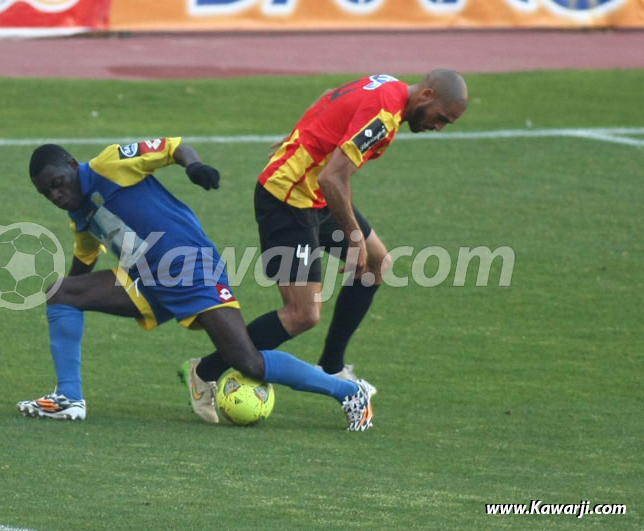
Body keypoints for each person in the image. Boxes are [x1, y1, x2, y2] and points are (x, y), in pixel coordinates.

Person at [16, 136, 377, 431]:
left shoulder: (108, 164)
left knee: (247, 361)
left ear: (71, 164)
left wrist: (194, 166)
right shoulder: (79, 215)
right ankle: (69, 397)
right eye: (46, 193)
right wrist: (68, 308)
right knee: (61, 292)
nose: (56, 195)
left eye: (57, 184)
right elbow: (82, 265)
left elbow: (173, 147)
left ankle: (348, 392)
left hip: (190, 267)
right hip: (148, 281)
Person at [183, 69, 468, 420]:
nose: (438, 128)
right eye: (441, 118)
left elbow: (331, 93)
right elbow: (333, 177)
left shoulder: (388, 85)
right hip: (288, 198)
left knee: (377, 263)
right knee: (302, 315)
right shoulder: (384, 116)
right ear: (426, 95)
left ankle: (332, 365)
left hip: (315, 197)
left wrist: (302, 135)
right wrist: (354, 238)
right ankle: (204, 372)